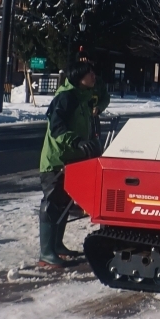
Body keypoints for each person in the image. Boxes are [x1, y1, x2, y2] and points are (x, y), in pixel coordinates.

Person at [37, 60, 100, 268]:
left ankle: (57, 245)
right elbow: (56, 128)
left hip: (72, 159)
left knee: (64, 203)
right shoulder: (66, 97)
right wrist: (77, 142)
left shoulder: (83, 98)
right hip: (56, 160)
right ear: (78, 77)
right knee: (52, 202)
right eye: (89, 73)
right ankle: (46, 253)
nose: (94, 76)